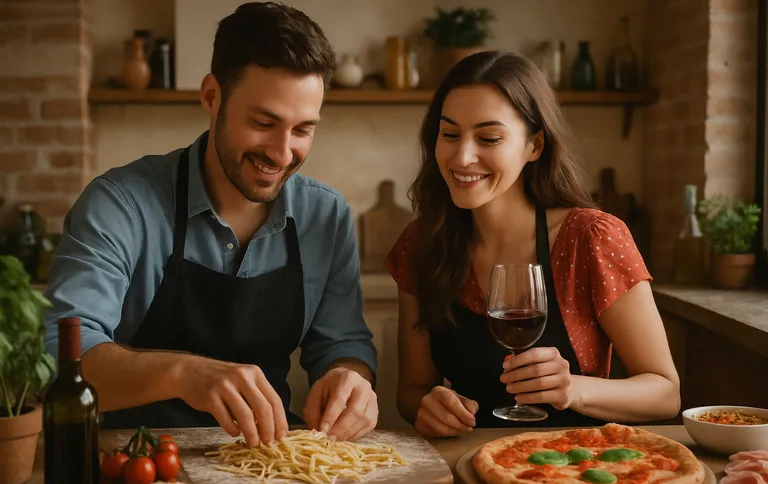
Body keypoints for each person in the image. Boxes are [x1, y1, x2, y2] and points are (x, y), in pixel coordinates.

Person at [43, 2, 378, 446]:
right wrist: (184, 374)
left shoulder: (326, 216)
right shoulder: (119, 205)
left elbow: (342, 343)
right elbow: (58, 355)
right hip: (134, 459)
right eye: (263, 122)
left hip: (271, 464)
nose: (282, 154)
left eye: (303, 130)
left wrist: (349, 378)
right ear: (211, 96)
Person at [386, 51, 681, 436]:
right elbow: (411, 390)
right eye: (450, 134)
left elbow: (665, 393)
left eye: (489, 137)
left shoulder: (592, 238)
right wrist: (427, 408)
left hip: (576, 472)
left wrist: (573, 388)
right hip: (466, 469)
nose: (462, 156)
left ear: (535, 146)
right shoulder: (421, 244)